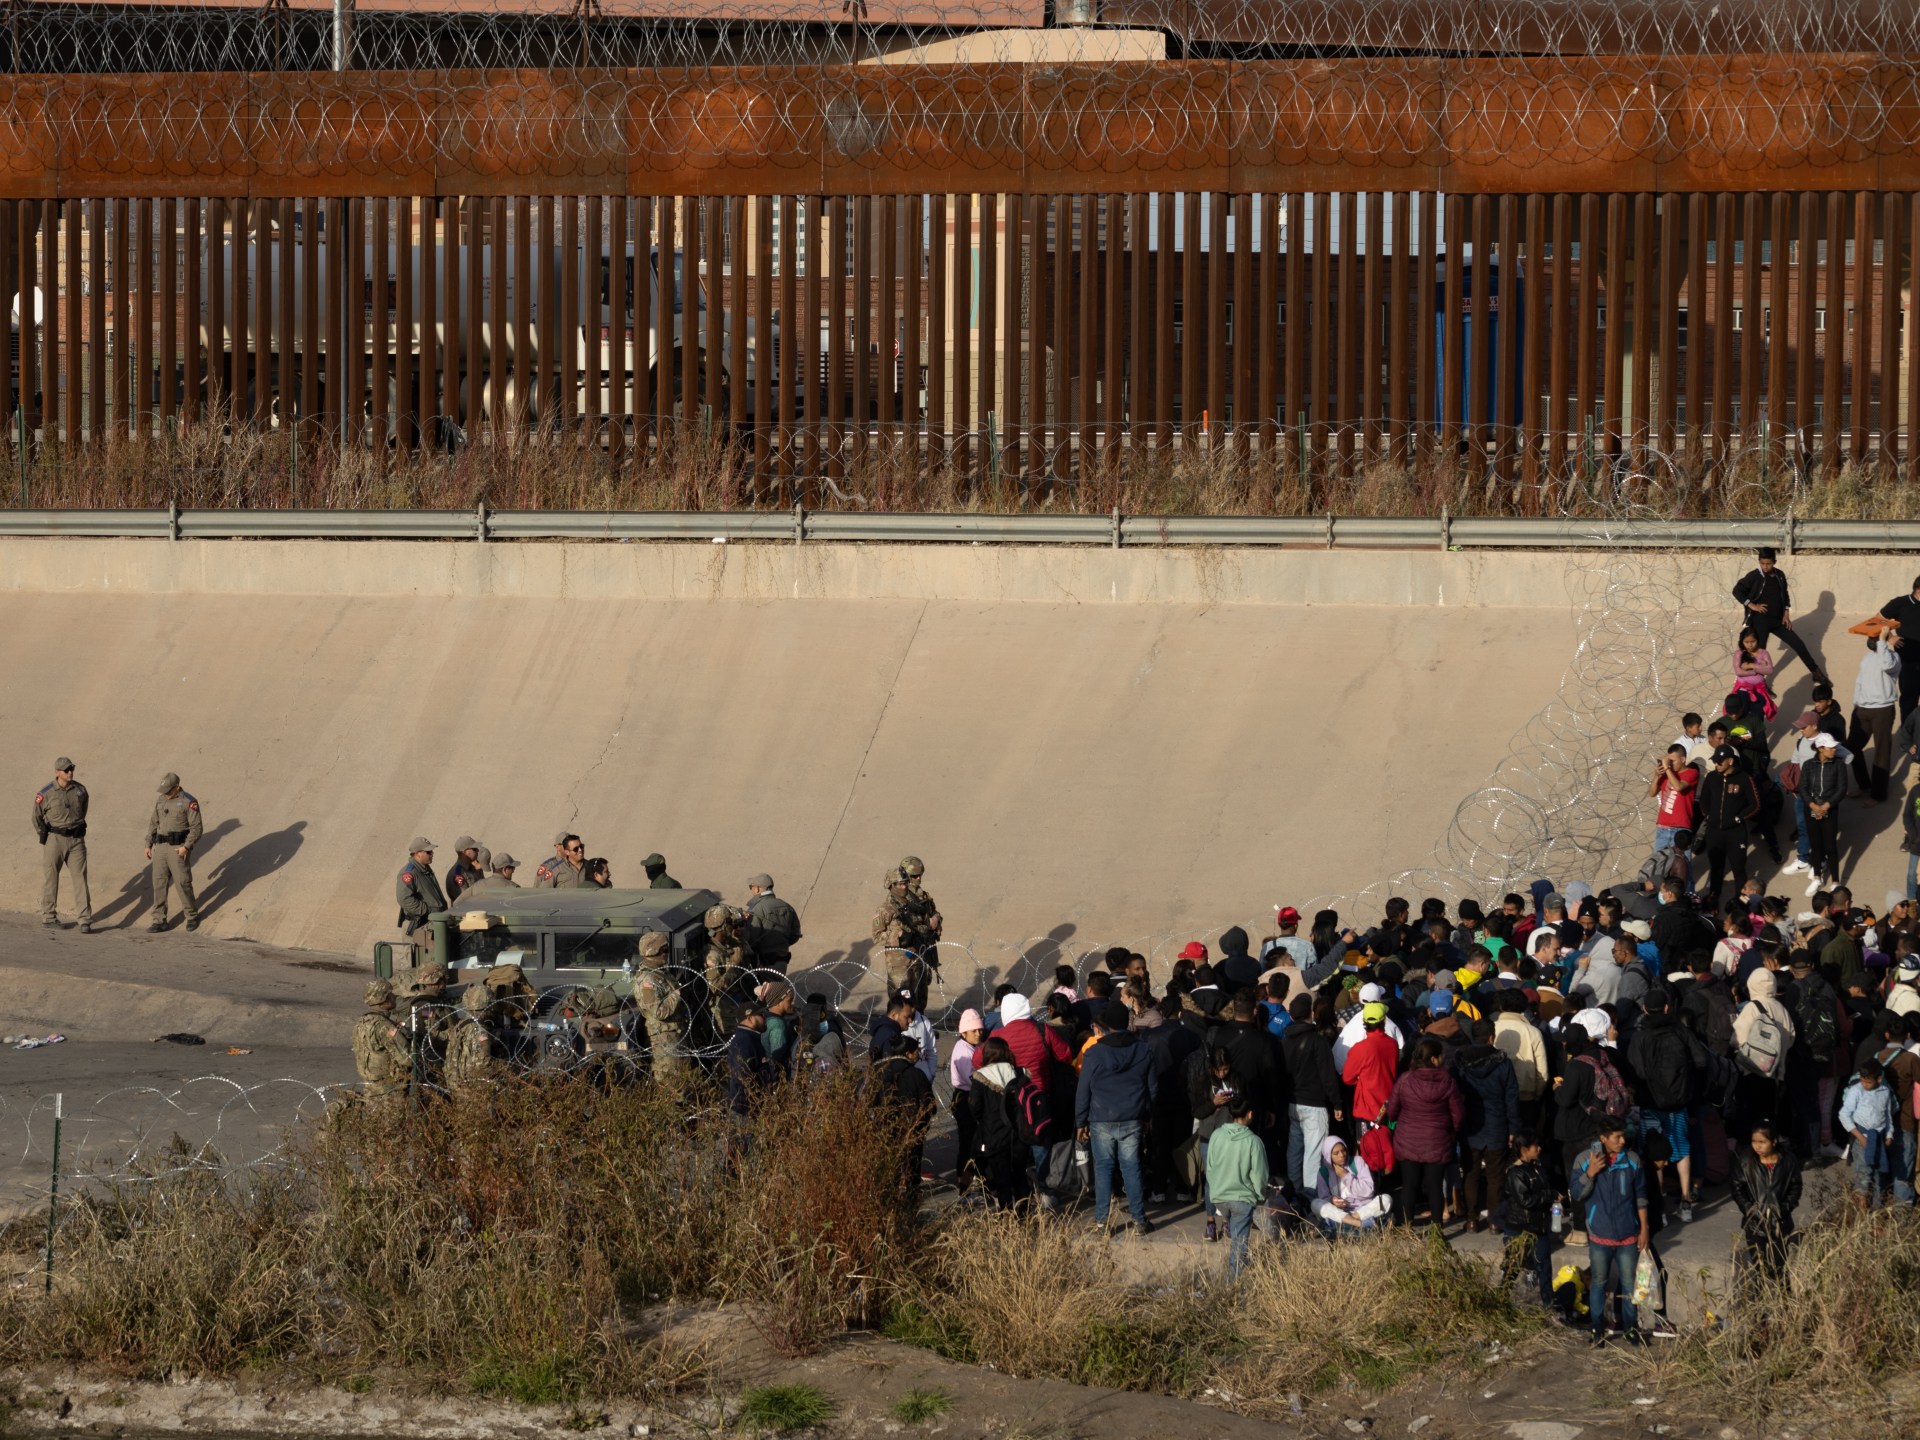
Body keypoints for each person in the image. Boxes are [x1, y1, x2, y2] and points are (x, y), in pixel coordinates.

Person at [1076, 1002, 1157, 1234]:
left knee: (1103, 1169)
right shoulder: (1143, 1049)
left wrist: (1080, 1121)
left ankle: (1102, 1223)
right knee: (1131, 1168)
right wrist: (1147, 1115)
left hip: (1101, 1118)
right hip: (1132, 1117)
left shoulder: (1094, 1052)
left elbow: (1084, 1090)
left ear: (1106, 1025)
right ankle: (1140, 1221)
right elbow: (1152, 1088)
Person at [1569, 1117, 1650, 1343]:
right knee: (1599, 1284)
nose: (1623, 1141)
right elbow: (1576, 1193)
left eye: (1623, 1135)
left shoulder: (1632, 1160)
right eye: (1617, 1137)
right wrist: (1590, 1174)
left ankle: (1631, 1327)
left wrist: (1644, 1228)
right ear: (1603, 1139)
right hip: (1599, 1235)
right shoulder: (1584, 1160)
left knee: (1628, 1283)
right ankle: (1597, 1328)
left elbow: (1641, 1197)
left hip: (1628, 1234)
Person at [1627, 987, 1703, 1222]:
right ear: (1668, 1008)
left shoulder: (1639, 1036)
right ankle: (1686, 1202)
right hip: (1678, 1102)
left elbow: (1635, 1070)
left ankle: (1659, 1209)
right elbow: (1700, 1060)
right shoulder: (1680, 1032)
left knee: (1653, 1153)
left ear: (1644, 1009)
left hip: (1650, 1101)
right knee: (1682, 1149)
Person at [1386, 1037, 1465, 1228]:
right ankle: (1437, 1229)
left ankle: (1407, 1227)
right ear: (1434, 1059)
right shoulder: (1448, 1082)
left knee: (1410, 1185)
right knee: (1435, 1186)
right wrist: (1451, 1131)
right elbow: (1458, 1115)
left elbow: (1392, 1111)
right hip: (1437, 1140)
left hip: (1408, 1140)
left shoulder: (1405, 1080)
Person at [1454, 1017, 1518, 1233]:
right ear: (1492, 1037)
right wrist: (1514, 1129)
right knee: (1495, 1175)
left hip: (1470, 1124)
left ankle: (1472, 1220)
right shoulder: (1503, 1062)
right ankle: (1494, 1220)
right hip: (1497, 1123)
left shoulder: (1460, 1061)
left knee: (1470, 1173)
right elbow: (1511, 1098)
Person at [1730, 547, 1829, 685]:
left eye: (1768, 563)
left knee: (1799, 645)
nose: (1765, 566)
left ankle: (1816, 672)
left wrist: (1786, 613)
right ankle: (1760, 683)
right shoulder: (1754, 576)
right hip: (1760, 622)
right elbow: (1737, 590)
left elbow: (1785, 595)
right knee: (1760, 654)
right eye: (1762, 563)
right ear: (1759, 561)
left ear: (1774, 562)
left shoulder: (1780, 575)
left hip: (1778, 621)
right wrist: (1752, 605)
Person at [1281, 992, 1346, 1195]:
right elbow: (1328, 1076)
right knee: (1313, 1154)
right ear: (1311, 1014)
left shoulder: (1284, 1040)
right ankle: (1311, 1198)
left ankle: (1294, 1192)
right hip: (1314, 1105)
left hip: (1292, 1102)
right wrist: (1337, 1103)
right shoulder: (1317, 1041)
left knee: (1295, 1150)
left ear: (1291, 1016)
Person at [1731, 1122, 1802, 1298]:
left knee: (1780, 1269)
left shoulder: (1788, 1161)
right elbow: (1737, 1188)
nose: (1757, 1146)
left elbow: (1796, 1187)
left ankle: (1785, 1309)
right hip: (1755, 1224)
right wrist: (1749, 1209)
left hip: (1780, 1223)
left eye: (1762, 1141)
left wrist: (1784, 1208)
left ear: (1774, 1141)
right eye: (1754, 1141)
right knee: (1759, 1269)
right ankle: (1760, 1314)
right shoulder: (1746, 1161)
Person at [1208, 1095, 1271, 1275]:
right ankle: (1233, 1285)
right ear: (1250, 1114)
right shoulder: (1254, 1142)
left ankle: (1239, 1273)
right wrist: (1260, 1196)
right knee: (1239, 1244)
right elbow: (1259, 1175)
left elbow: (1210, 1167)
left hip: (1220, 1198)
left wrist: (1216, 1189)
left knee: (1236, 1237)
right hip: (1242, 1199)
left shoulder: (1216, 1135)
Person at [1692, 746, 1761, 908]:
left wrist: (1738, 818)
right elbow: (1703, 800)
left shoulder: (1744, 778)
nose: (1716, 764)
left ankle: (1740, 902)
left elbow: (1755, 804)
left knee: (1738, 869)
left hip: (1735, 833)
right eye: (1714, 761)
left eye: (1719, 761)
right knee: (1716, 868)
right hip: (1714, 832)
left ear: (1730, 761)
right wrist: (1708, 815)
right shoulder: (1711, 777)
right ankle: (1713, 899)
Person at [966, 1037, 1030, 1209]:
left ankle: (1006, 1216)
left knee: (1002, 1179)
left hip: (994, 1134)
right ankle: (1024, 1217)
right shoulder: (1020, 1073)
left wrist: (984, 1121)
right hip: (1019, 1134)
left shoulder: (981, 1077)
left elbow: (974, 1107)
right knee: (1020, 1176)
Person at [1500, 1130, 1559, 1314]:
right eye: (1535, 1146)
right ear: (1524, 1149)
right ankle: (1500, 1300)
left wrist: (1552, 1199)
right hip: (1520, 1229)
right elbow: (1525, 1200)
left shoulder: (1537, 1167)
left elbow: (1541, 1192)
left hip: (1539, 1227)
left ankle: (1549, 1305)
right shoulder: (1515, 1173)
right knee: (1513, 1266)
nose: (1539, 1149)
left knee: (1545, 1267)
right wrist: (1548, 1195)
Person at [32, 757, 91, 933]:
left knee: (80, 878)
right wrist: (46, 835)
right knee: (51, 878)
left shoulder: (80, 790)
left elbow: (83, 809)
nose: (70, 772)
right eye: (66, 770)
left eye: (71, 768)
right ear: (57, 772)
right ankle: (49, 916)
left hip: (76, 840)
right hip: (54, 839)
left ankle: (85, 920)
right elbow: (36, 817)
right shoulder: (46, 793)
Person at [144, 772, 204, 934]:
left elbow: (196, 828)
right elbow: (153, 822)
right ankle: (159, 919)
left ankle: (191, 915)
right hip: (160, 847)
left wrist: (187, 847)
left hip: (178, 847)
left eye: (169, 790)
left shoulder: (188, 802)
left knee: (182, 883)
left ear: (177, 787)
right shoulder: (161, 799)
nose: (165, 793)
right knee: (159, 883)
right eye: (163, 790)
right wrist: (148, 843)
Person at [1848, 633, 1902, 803]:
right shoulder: (1867, 658)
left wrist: (1883, 640)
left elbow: (1886, 665)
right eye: (1872, 638)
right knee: (1852, 747)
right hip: (1862, 709)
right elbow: (1860, 681)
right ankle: (1864, 786)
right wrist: (1856, 704)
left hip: (1882, 710)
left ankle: (1878, 795)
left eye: (1877, 638)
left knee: (1881, 752)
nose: (1872, 640)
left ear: (1883, 642)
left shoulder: (1892, 657)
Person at [1840, 1057, 1897, 1207]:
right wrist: (1859, 1136)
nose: (1864, 1084)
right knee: (1864, 1176)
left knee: (1879, 1176)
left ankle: (1876, 1211)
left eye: (1868, 1081)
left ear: (1879, 1079)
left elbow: (1887, 1116)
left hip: (1879, 1138)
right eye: (1863, 1080)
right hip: (1862, 1138)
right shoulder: (1856, 1091)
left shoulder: (1885, 1092)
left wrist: (1889, 1134)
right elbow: (1844, 1114)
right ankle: (1861, 1214)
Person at [633, 932, 689, 1085]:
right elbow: (659, 1012)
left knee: (681, 1077)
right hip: (663, 1037)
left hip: (673, 1033)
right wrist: (676, 994)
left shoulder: (660, 974)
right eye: (664, 950)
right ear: (654, 952)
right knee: (671, 1079)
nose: (667, 954)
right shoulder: (648, 980)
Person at [1313, 1133, 1390, 1232]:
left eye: (1343, 1150)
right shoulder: (1323, 1172)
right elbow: (1323, 1198)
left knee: (1386, 1199)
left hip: (1362, 1209)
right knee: (1315, 1203)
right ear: (1329, 1156)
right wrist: (1332, 1200)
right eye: (1336, 1153)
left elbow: (1368, 1191)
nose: (1342, 1155)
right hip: (1340, 1211)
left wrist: (1346, 1176)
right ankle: (1360, 1224)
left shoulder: (1357, 1162)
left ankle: (1346, 1222)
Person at [1802, 733, 1848, 893]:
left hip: (1830, 809)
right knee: (1815, 846)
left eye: (1834, 747)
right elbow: (1803, 788)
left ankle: (1835, 881)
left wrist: (1827, 805)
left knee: (1830, 846)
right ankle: (1817, 877)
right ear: (1820, 748)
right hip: (1812, 809)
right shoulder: (1808, 765)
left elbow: (1842, 788)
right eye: (1830, 747)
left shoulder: (1839, 765)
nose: (1834, 750)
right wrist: (1812, 805)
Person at [1342, 1002, 1400, 1128]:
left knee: (1367, 1147)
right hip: (1389, 1107)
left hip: (1367, 1111)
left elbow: (1347, 1077)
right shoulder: (1393, 1044)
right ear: (1383, 1021)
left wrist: (1362, 1079)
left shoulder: (1360, 1049)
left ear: (1364, 1022)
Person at [351, 979, 409, 1101]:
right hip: (389, 1092)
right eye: (390, 994)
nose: (394, 996)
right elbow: (406, 1058)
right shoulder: (384, 1026)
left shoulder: (361, 1023)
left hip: (371, 1088)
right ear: (384, 1000)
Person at [1874, 574, 1920, 723]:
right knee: (1909, 700)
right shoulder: (1900, 603)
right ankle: (1907, 739)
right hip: (1908, 663)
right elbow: (1877, 620)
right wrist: (1890, 637)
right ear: (1918, 591)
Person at [950, 1008, 986, 1187]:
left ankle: (972, 1180)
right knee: (968, 1144)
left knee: (975, 1142)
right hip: (965, 1099)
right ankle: (964, 1186)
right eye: (974, 1031)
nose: (978, 1034)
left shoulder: (971, 1047)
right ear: (963, 1032)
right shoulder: (963, 1051)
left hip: (970, 1096)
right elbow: (973, 1079)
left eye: (980, 1030)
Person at [745, 874, 802, 973]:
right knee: (776, 987)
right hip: (782, 961)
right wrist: (781, 945)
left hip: (762, 963)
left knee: (764, 988)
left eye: (751, 887)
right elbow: (795, 935)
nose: (751, 890)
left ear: (758, 889)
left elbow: (751, 939)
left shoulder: (757, 909)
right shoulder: (787, 907)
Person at [395, 838, 446, 947]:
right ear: (417, 854)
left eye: (431, 851)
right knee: (414, 959)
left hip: (429, 923)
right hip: (418, 925)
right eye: (428, 852)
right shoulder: (409, 873)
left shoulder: (425, 869)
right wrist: (427, 910)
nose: (432, 854)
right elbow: (404, 899)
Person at [1648, 746, 1699, 853]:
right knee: (1659, 864)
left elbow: (1679, 787)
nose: (1670, 763)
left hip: (1681, 828)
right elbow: (1652, 793)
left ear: (1683, 759)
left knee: (1682, 863)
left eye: (1673, 761)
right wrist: (1657, 776)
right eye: (1668, 760)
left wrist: (1666, 768)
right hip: (1663, 826)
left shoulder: (1692, 773)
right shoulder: (1667, 774)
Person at [726, 1006, 774, 1116]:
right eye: (761, 1015)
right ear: (750, 1018)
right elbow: (742, 1077)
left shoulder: (750, 1038)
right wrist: (754, 1105)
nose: (764, 1018)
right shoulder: (745, 1041)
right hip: (746, 1111)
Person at [1732, 628, 1778, 720]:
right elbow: (1739, 672)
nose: (1750, 645)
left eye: (1753, 641)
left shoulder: (1764, 653)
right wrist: (1759, 668)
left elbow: (1769, 670)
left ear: (1757, 640)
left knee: (1758, 714)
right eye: (1746, 642)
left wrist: (1751, 665)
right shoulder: (1739, 654)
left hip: (1759, 690)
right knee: (1743, 715)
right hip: (1743, 690)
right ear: (1742, 642)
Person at [444, 837, 486, 903]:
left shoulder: (473, 868)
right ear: (464, 852)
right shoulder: (457, 873)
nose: (477, 851)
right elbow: (464, 899)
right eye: (474, 849)